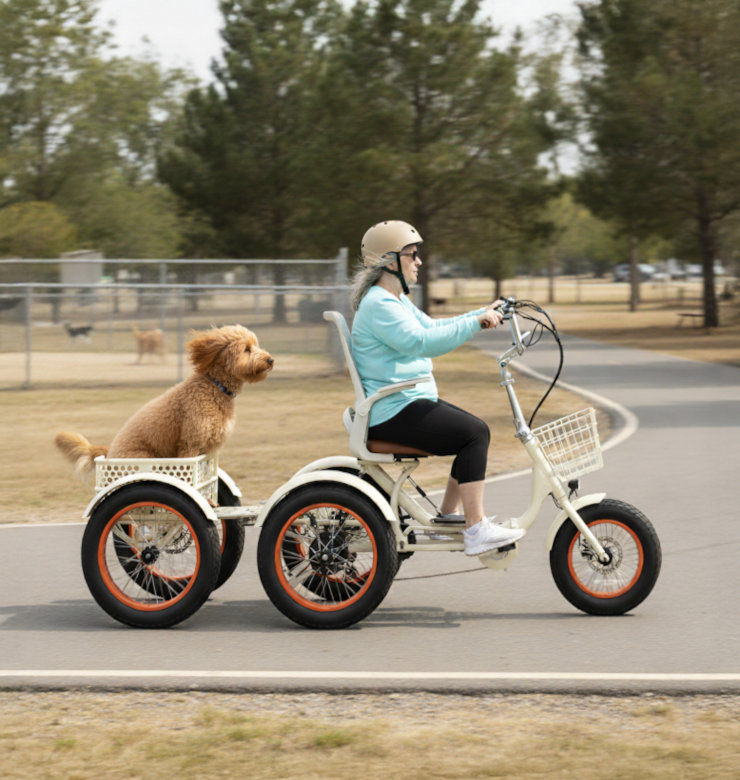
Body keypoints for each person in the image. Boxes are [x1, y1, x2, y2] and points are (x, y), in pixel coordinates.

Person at [351, 219, 526, 556]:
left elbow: (432, 326)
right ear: (390, 261)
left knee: (472, 432)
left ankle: (449, 516)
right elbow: (423, 342)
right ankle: (475, 529)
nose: (419, 262)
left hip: (405, 403)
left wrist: (482, 312)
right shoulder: (379, 305)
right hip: (394, 411)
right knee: (474, 434)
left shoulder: (394, 300)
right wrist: (475, 323)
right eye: (412, 255)